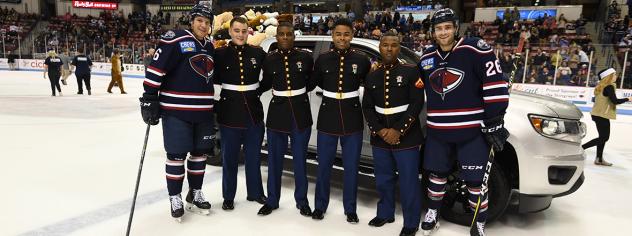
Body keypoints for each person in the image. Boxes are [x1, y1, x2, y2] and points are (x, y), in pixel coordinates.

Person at [417, 9, 509, 236]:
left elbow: (496, 86)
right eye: (439, 28)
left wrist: (494, 119)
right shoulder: (426, 57)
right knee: (436, 177)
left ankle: (478, 222)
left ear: (456, 28)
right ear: (433, 31)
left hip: (471, 132)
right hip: (438, 132)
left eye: (448, 27)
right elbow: (415, 84)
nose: (443, 32)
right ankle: (432, 213)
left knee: (475, 182)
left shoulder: (476, 49)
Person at [139, 2, 215, 222]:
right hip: (177, 111)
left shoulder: (209, 46)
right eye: (200, 21)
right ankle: (175, 197)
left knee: (200, 154)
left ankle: (195, 192)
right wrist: (149, 97)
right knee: (176, 155)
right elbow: (155, 69)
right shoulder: (175, 39)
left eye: (207, 22)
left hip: (203, 113)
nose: (203, 25)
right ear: (191, 21)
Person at [362, 31, 425, 236]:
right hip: (380, 136)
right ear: (380, 48)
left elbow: (416, 104)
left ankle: (411, 222)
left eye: (394, 45)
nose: (389, 49)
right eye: (385, 45)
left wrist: (398, 130)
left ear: (399, 48)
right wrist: (380, 130)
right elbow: (368, 107)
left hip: (406, 136)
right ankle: (385, 213)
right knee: (383, 178)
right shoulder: (372, 75)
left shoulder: (411, 71)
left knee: (408, 181)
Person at [311, 18, 371, 223]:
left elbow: (371, 86)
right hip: (327, 117)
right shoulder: (323, 59)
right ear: (333, 35)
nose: (342, 38)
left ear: (352, 36)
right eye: (338, 34)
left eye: (346, 34)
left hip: (352, 117)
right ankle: (319, 206)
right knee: (324, 165)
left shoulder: (362, 60)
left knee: (351, 167)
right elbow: (312, 83)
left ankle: (350, 209)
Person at [256, 21, 315, 217]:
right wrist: (249, 93)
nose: (285, 37)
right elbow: (265, 83)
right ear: (277, 36)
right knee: (274, 161)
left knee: (300, 161)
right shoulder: (269, 59)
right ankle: (272, 200)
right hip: (277, 115)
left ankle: (302, 202)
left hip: (300, 114)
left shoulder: (306, 58)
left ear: (294, 36)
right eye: (281, 34)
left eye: (289, 34)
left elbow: (311, 83)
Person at [213, 16, 267, 211]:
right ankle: (228, 196)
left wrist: (257, 91)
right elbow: (214, 83)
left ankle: (255, 192)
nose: (241, 35)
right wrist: (218, 108)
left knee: (254, 157)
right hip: (229, 113)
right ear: (230, 32)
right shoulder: (219, 54)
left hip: (253, 113)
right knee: (229, 159)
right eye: (237, 31)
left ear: (248, 32)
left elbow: (268, 77)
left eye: (244, 31)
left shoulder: (258, 53)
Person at [582, 68, 632, 166]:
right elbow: (615, 101)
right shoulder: (609, 87)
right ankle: (581, 148)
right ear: (608, 77)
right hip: (601, 115)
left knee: (602, 137)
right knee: (604, 137)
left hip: (598, 114)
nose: (616, 76)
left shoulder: (601, 86)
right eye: (614, 75)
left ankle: (599, 159)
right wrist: (628, 98)